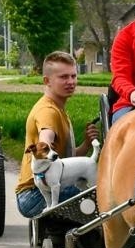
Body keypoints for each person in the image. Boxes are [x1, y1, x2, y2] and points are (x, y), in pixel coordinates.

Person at [15, 51, 100, 219]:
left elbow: (63, 161)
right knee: (106, 196)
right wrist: (46, 142)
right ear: (47, 81)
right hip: (34, 195)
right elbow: (46, 136)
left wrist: (86, 144)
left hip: (42, 187)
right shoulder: (48, 111)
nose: (71, 82)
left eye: (73, 76)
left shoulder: (58, 109)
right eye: (63, 77)